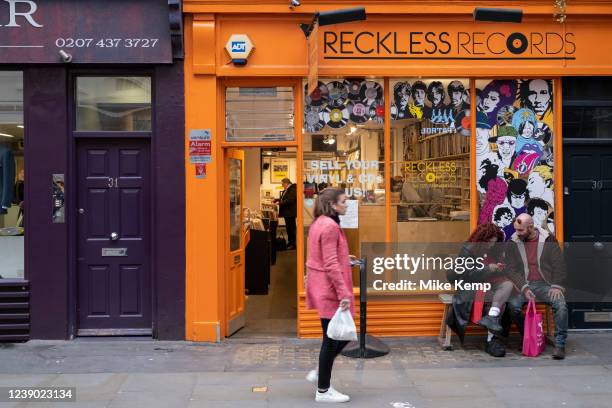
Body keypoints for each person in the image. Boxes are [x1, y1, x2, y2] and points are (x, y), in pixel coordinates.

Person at [305, 188, 355, 403]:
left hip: (322, 286)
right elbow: (330, 263)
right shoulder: (330, 227)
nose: (347, 204)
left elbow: (326, 255)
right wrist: (344, 293)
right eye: (344, 201)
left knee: (338, 336)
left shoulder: (320, 223)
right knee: (333, 338)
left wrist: (345, 257)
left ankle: (320, 372)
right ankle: (323, 390)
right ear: (333, 205)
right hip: (330, 290)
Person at [446, 223, 516, 357]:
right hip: (471, 285)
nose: (491, 245)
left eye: (494, 243)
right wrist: (489, 268)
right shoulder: (469, 249)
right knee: (494, 298)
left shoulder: (495, 249)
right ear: (482, 239)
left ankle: (491, 317)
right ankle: (492, 340)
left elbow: (500, 269)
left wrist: (499, 267)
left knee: (507, 285)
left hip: (490, 282)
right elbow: (467, 275)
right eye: (489, 242)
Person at [506, 213, 568, 359]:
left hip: (545, 284)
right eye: (516, 229)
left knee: (561, 305)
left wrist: (557, 285)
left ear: (531, 227)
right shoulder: (513, 241)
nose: (517, 233)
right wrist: (524, 287)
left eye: (521, 230)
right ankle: (528, 334)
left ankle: (560, 345)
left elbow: (559, 264)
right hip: (523, 284)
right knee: (512, 307)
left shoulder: (548, 239)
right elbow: (510, 269)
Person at [275, 178, 297, 249]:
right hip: (287, 212)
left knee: (291, 228)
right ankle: (290, 242)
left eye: (282, 184)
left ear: (286, 183)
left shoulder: (292, 190)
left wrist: (280, 203)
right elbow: (284, 198)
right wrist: (276, 200)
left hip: (290, 213)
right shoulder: (288, 190)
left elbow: (290, 200)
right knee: (288, 228)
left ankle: (293, 244)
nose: (282, 185)